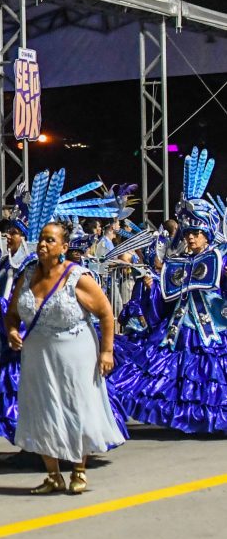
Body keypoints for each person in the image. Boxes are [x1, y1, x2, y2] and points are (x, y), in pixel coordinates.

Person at [110, 148, 227, 434]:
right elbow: (166, 299)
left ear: (207, 234)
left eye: (195, 233)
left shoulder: (220, 259)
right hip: (179, 328)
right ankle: (184, 417)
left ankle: (212, 419)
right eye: (187, 233)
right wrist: (151, 287)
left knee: (209, 375)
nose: (190, 237)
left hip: (212, 327)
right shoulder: (179, 261)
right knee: (173, 373)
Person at [7, 221, 124, 494]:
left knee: (76, 406)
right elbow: (12, 312)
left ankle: (79, 470)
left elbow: (106, 314)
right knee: (43, 409)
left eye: (50, 240)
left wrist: (107, 351)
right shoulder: (27, 275)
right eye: (41, 239)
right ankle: (52, 475)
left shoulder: (77, 276)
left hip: (76, 352)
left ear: (64, 246)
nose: (43, 244)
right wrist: (12, 330)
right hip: (37, 353)